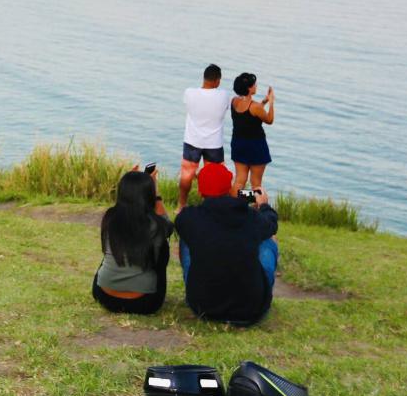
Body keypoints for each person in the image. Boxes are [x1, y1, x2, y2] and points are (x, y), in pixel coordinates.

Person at [175, 164, 279, 325]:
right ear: (230, 188)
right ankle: (259, 286)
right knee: (269, 238)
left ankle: (203, 284)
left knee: (186, 240)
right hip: (252, 310)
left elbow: (185, 221)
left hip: (203, 307)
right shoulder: (250, 216)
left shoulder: (189, 218)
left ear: (200, 191)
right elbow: (272, 225)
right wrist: (263, 205)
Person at [92, 168, 173, 315]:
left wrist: (128, 182)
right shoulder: (156, 224)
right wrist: (157, 195)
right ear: (149, 196)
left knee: (113, 250)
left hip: (104, 295)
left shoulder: (110, 217)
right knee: (163, 247)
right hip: (143, 303)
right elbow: (169, 227)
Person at [178, 64, 233, 212]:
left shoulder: (189, 93)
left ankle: (181, 205)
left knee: (187, 174)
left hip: (192, 140)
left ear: (204, 77)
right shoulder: (224, 95)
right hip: (214, 143)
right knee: (214, 178)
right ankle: (211, 208)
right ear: (217, 81)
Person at [231, 73, 275, 194]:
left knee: (239, 181)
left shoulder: (234, 102)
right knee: (256, 183)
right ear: (249, 88)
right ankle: (255, 210)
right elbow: (269, 120)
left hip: (238, 144)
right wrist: (271, 102)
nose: (256, 86)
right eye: (254, 84)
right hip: (255, 146)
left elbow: (251, 114)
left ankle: (237, 206)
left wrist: (264, 102)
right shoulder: (255, 106)